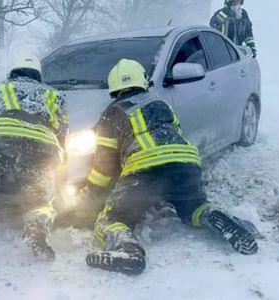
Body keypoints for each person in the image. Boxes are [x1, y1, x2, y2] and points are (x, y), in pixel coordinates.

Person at [83, 59, 258, 276]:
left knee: (111, 219)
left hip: (145, 171)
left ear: (114, 88)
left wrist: (90, 192)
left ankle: (128, 251)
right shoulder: (160, 103)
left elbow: (105, 168)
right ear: (142, 80)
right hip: (186, 164)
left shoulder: (112, 114)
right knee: (192, 207)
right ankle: (213, 216)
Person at [0, 53, 68, 260]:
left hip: (1, 142)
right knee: (41, 197)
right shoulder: (55, 95)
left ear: (12, 72)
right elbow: (62, 132)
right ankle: (38, 230)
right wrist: (58, 161)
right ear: (38, 75)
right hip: (42, 148)